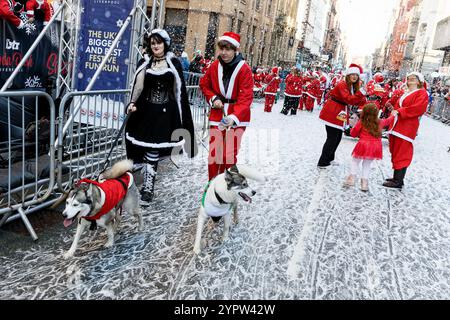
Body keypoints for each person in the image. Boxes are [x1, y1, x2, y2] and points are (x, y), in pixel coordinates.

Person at [125, 29, 197, 205]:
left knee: (153, 150)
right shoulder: (146, 62)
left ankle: (148, 188)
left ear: (165, 44)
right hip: (146, 112)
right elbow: (139, 86)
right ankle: (144, 178)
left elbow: (179, 91)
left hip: (165, 114)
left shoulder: (174, 63)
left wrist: (182, 118)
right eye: (152, 43)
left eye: (159, 42)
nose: (155, 46)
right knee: (144, 149)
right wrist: (132, 103)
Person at [199, 31, 253, 180]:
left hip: (238, 116)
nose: (223, 52)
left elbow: (246, 97)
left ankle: (227, 185)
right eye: (221, 49)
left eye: (228, 49)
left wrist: (234, 117)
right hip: (218, 114)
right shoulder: (214, 65)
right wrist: (213, 98)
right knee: (215, 154)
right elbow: (204, 84)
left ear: (236, 50)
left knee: (229, 155)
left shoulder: (244, 69)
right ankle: (212, 186)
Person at [383, 71, 429, 189]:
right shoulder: (406, 92)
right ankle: (396, 177)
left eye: (414, 78)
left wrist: (400, 111)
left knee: (402, 151)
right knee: (395, 149)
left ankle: (398, 180)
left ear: (420, 81)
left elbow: (418, 108)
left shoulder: (422, 93)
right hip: (398, 125)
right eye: (409, 78)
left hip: (407, 126)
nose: (411, 80)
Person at [317, 63, 367, 168]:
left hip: (340, 112)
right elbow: (348, 99)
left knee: (337, 137)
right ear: (348, 75)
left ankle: (329, 158)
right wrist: (360, 93)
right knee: (332, 138)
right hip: (333, 111)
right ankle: (323, 161)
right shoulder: (342, 84)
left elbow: (355, 101)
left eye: (356, 75)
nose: (354, 77)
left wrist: (363, 95)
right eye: (352, 74)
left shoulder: (352, 86)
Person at [344, 103, 394, 191]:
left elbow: (353, 133)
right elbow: (389, 120)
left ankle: (351, 178)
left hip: (363, 144)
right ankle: (364, 184)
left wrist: (352, 131)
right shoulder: (380, 122)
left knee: (355, 161)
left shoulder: (362, 122)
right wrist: (393, 114)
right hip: (375, 146)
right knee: (367, 164)